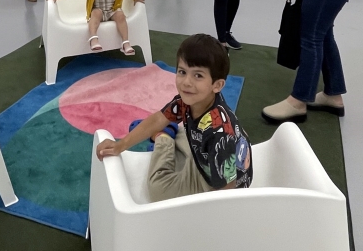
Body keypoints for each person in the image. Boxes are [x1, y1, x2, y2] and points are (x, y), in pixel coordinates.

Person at [95, 34, 252, 202]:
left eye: (198, 75)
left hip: (219, 185)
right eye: (182, 72)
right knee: (185, 131)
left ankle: (163, 138)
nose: (186, 82)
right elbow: (158, 119)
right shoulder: (190, 101)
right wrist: (121, 145)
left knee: (158, 190)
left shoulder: (217, 135)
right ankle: (172, 135)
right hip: (208, 160)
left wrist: (205, 213)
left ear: (217, 85)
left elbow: (227, 191)